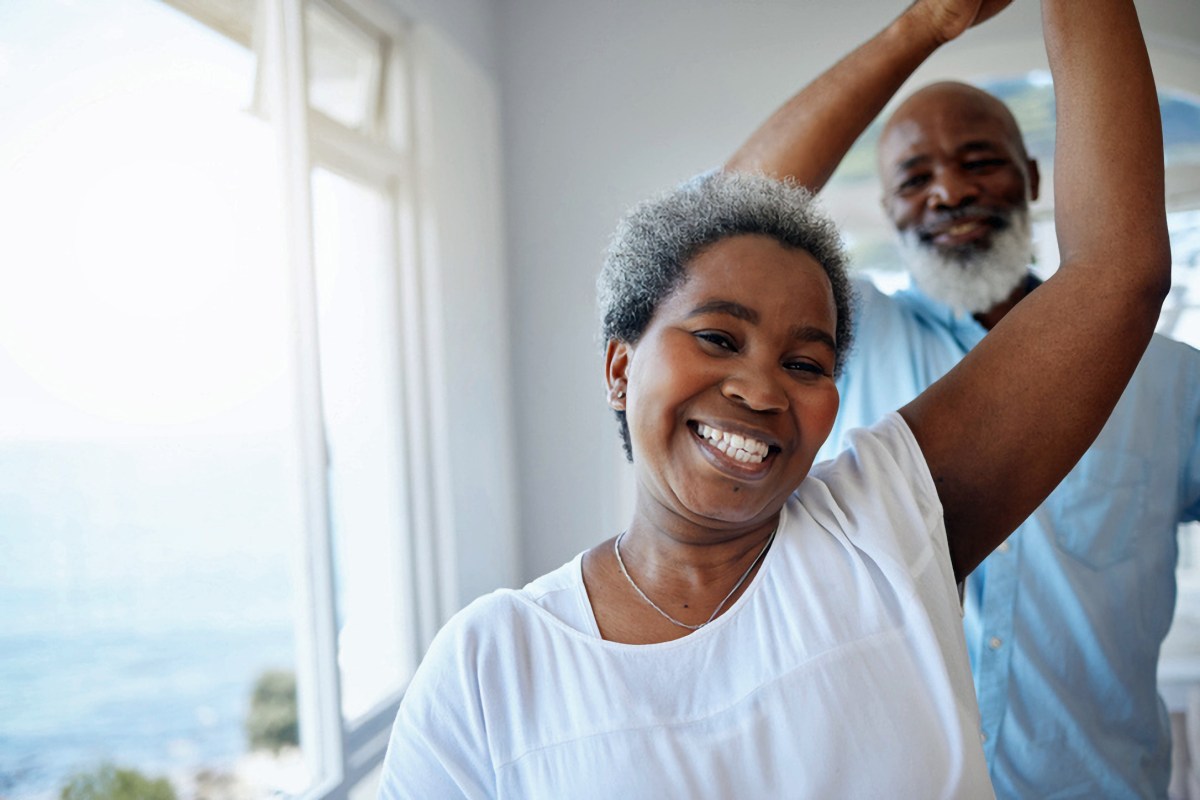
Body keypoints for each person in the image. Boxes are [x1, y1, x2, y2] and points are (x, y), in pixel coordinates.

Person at [379, 1, 1169, 797]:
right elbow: (718, 222)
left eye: (806, 362)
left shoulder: (883, 525)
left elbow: (1115, 275)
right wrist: (923, 23)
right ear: (619, 367)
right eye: (718, 338)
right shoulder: (488, 667)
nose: (761, 389)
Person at [723, 0, 1200, 797]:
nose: (948, 190)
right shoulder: (847, 338)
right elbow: (721, 228)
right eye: (914, 177)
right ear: (889, 212)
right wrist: (925, 25)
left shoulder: (1170, 380)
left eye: (979, 160)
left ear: (1033, 178)